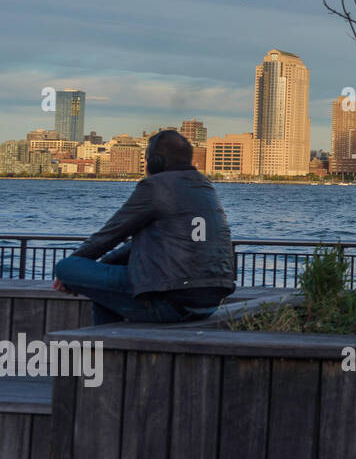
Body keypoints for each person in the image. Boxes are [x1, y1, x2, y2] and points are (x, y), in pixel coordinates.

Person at [52, 130, 236, 324]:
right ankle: (109, 341)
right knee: (104, 293)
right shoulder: (205, 187)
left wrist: (69, 276)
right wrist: (100, 266)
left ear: (154, 162)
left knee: (66, 267)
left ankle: (107, 341)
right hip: (208, 302)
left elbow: (109, 235)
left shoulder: (155, 187)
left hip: (169, 300)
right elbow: (131, 246)